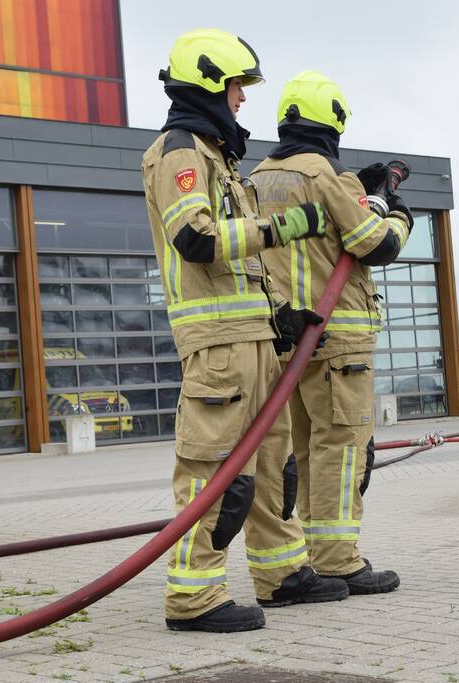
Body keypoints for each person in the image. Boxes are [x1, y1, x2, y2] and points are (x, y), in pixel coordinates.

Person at [141, 32, 349, 634]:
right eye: (236, 88)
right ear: (209, 84)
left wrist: (281, 314)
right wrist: (285, 226)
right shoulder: (179, 153)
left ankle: (282, 573)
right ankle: (193, 596)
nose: (241, 101)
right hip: (219, 348)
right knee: (213, 470)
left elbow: (240, 265)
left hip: (251, 337)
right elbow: (198, 240)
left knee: (271, 463)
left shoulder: (217, 160)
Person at [250, 70, 412, 595]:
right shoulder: (324, 175)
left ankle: (304, 559)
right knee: (342, 448)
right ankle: (338, 560)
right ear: (333, 122)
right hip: (339, 338)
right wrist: (398, 212)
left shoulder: (256, 177)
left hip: (287, 340)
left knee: (299, 451)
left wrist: (358, 189)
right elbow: (373, 243)